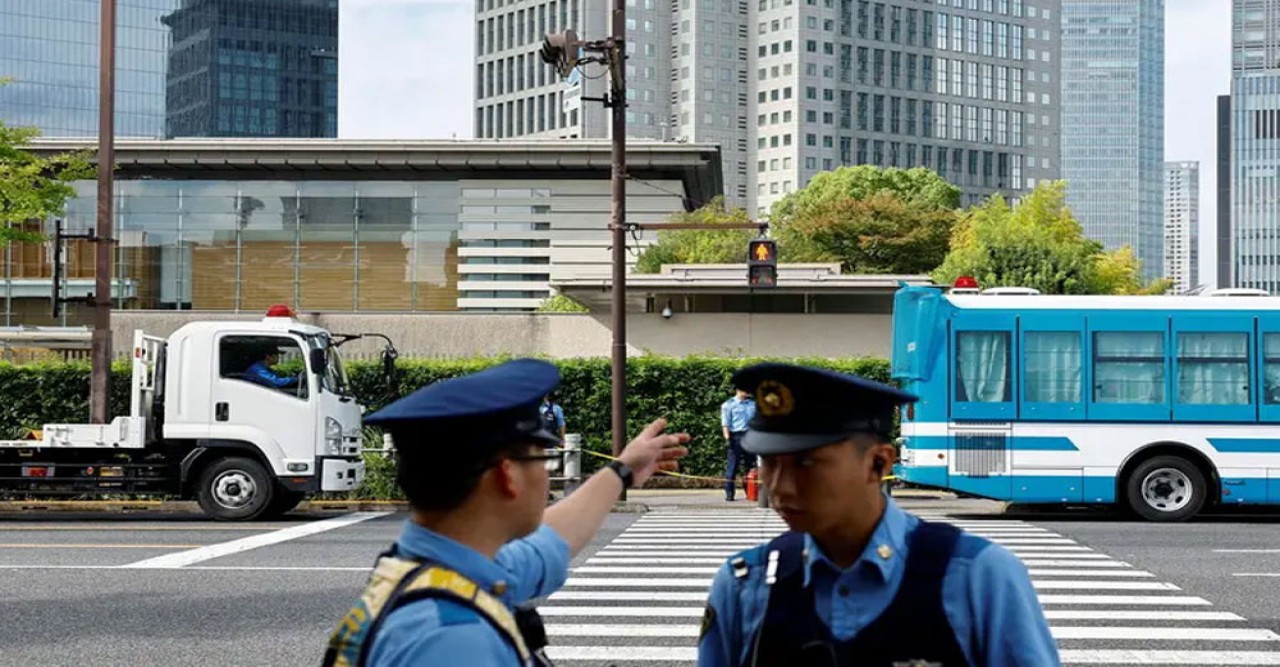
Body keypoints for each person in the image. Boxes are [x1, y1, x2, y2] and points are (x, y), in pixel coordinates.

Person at [323, 358, 690, 667]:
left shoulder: (433, 572)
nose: (546, 475)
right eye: (543, 458)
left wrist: (623, 470)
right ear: (507, 474)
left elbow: (547, 544)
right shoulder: (453, 640)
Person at [698, 362, 1061, 667]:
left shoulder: (979, 578)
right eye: (769, 463)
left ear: (879, 463)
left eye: (806, 463)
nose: (780, 487)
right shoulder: (744, 585)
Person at [719, 386, 756, 501]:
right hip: (736, 437)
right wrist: (727, 439)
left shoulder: (752, 405)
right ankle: (729, 493)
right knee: (733, 467)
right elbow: (726, 424)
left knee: (751, 467)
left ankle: (750, 492)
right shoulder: (728, 405)